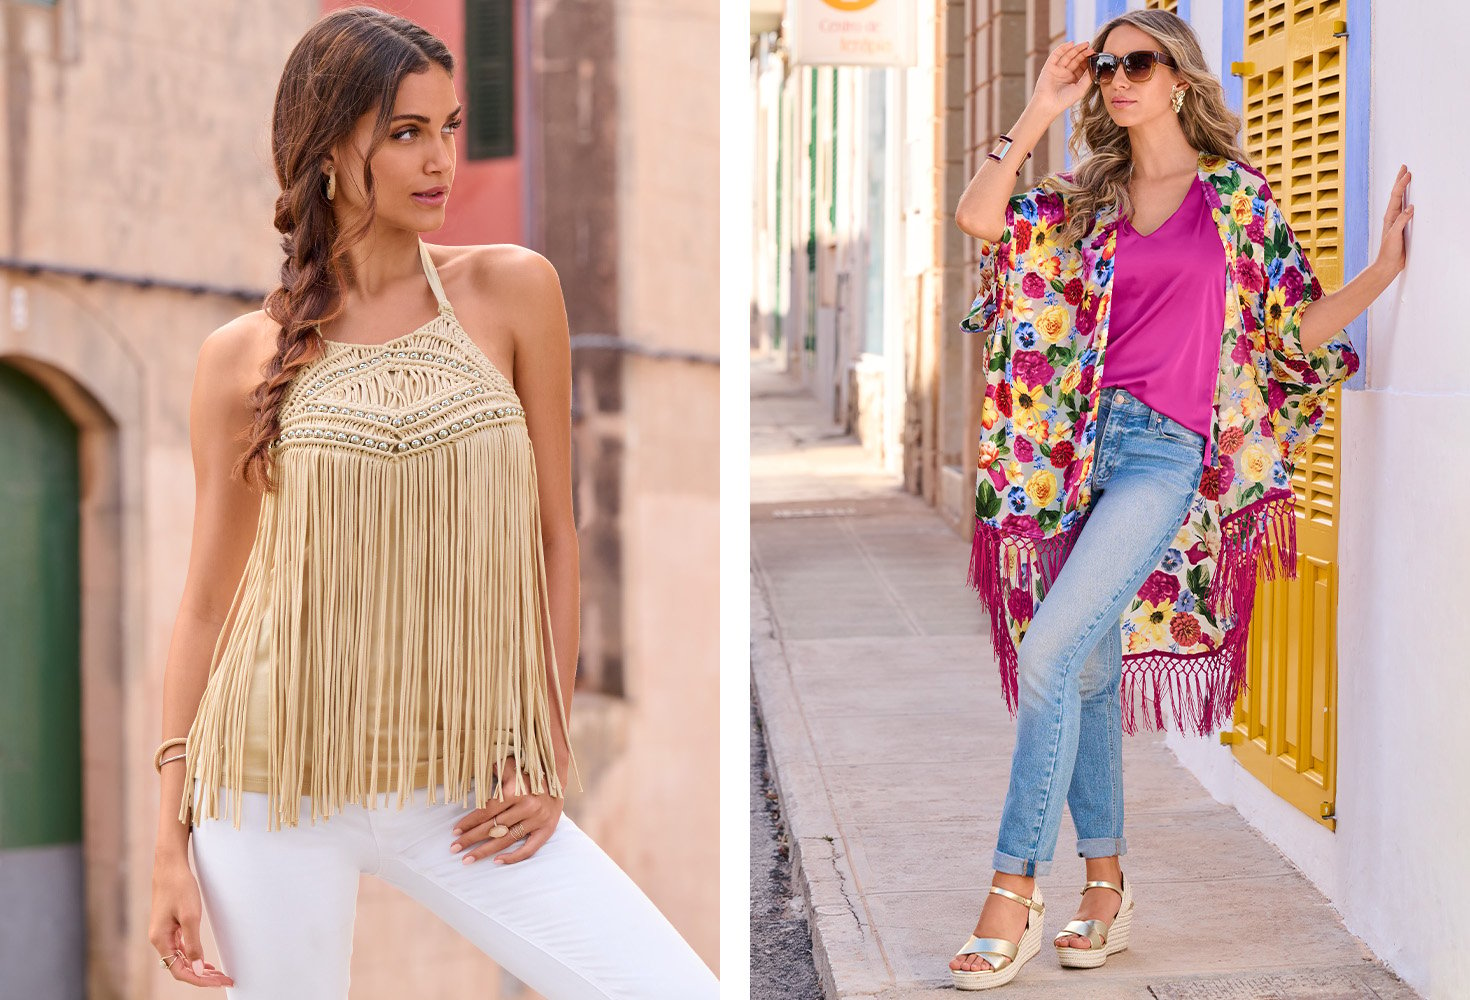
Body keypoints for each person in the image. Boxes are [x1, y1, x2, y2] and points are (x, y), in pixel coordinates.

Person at [145, 8, 719, 998]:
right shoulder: (240, 358)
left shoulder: (512, 291)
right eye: (406, 132)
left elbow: (555, 538)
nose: (440, 159)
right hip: (265, 783)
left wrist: (545, 748)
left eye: (450, 127)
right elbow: (206, 602)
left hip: (461, 787)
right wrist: (167, 840)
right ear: (328, 151)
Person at [947, 9, 1409, 990]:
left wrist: (1380, 272)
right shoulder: (1085, 198)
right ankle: (1105, 887)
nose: (1117, 79)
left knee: (1048, 649)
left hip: (1165, 457)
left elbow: (1294, 328)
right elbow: (982, 218)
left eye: (1137, 63)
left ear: (1183, 77)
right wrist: (1037, 112)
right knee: (1085, 672)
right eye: (1104, 66)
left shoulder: (1238, 200)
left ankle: (1012, 888)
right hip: (1074, 451)